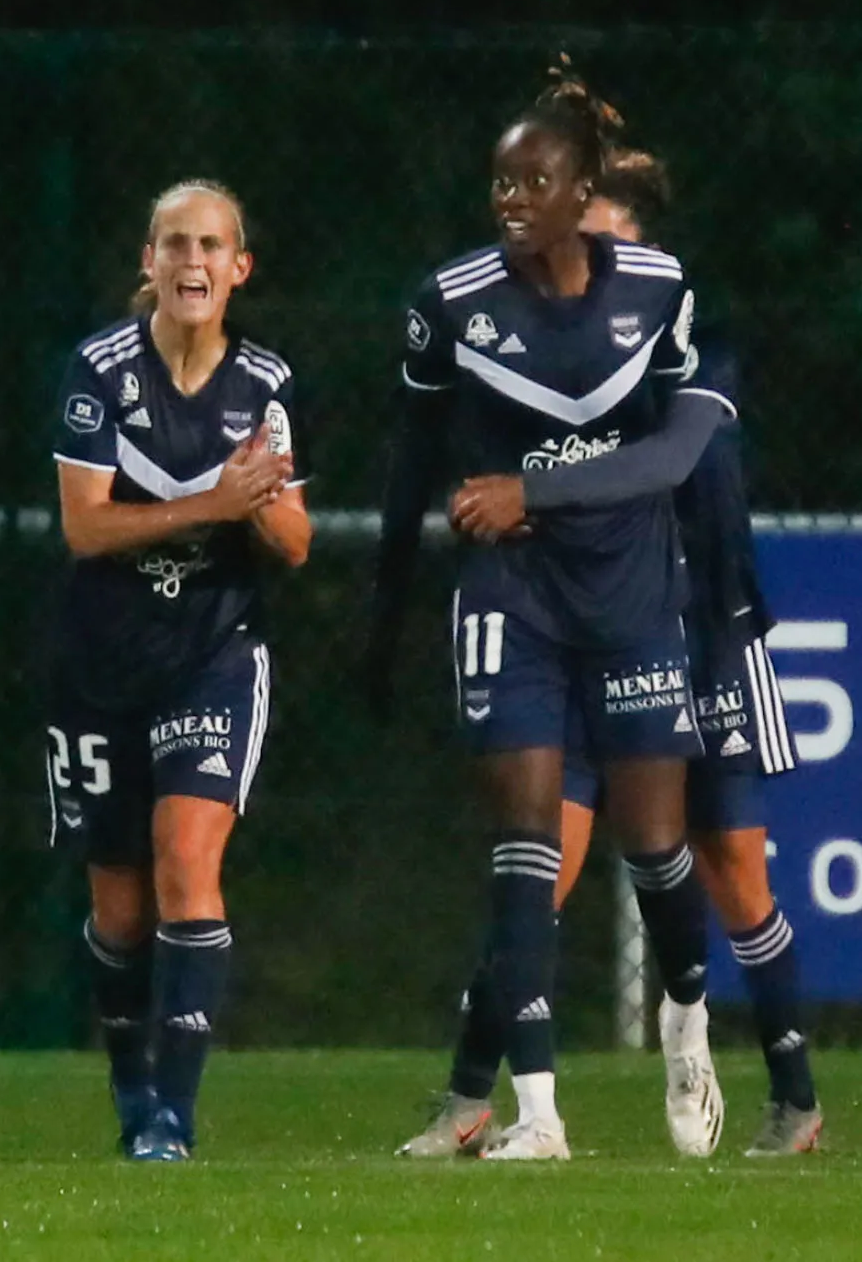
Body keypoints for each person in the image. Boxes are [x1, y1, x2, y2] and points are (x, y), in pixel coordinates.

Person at [394, 149, 821, 1161]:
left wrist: (527, 492)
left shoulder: (692, 343)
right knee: (537, 868)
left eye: (610, 240)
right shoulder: (550, 340)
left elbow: (658, 465)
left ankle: (782, 1089)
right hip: (579, 619)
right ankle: (469, 1100)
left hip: (705, 625)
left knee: (725, 863)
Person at [368, 70, 729, 1161]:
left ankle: (686, 1018)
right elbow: (410, 460)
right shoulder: (450, 302)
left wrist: (535, 490)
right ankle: (537, 1115)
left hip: (629, 596)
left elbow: (674, 453)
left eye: (536, 180)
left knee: (658, 849)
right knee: (525, 846)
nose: (512, 198)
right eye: (499, 181)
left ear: (584, 196)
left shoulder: (659, 288)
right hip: (511, 598)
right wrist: (384, 605)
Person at [48, 180, 312, 1163]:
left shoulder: (268, 386)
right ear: (148, 264)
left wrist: (261, 499)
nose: (192, 262)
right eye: (174, 245)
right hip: (102, 659)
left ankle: (174, 1117)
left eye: (210, 246)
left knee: (185, 861)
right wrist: (211, 500)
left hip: (213, 652)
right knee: (117, 909)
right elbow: (85, 526)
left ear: (238, 268)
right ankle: (130, 1089)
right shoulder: (95, 371)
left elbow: (293, 542)